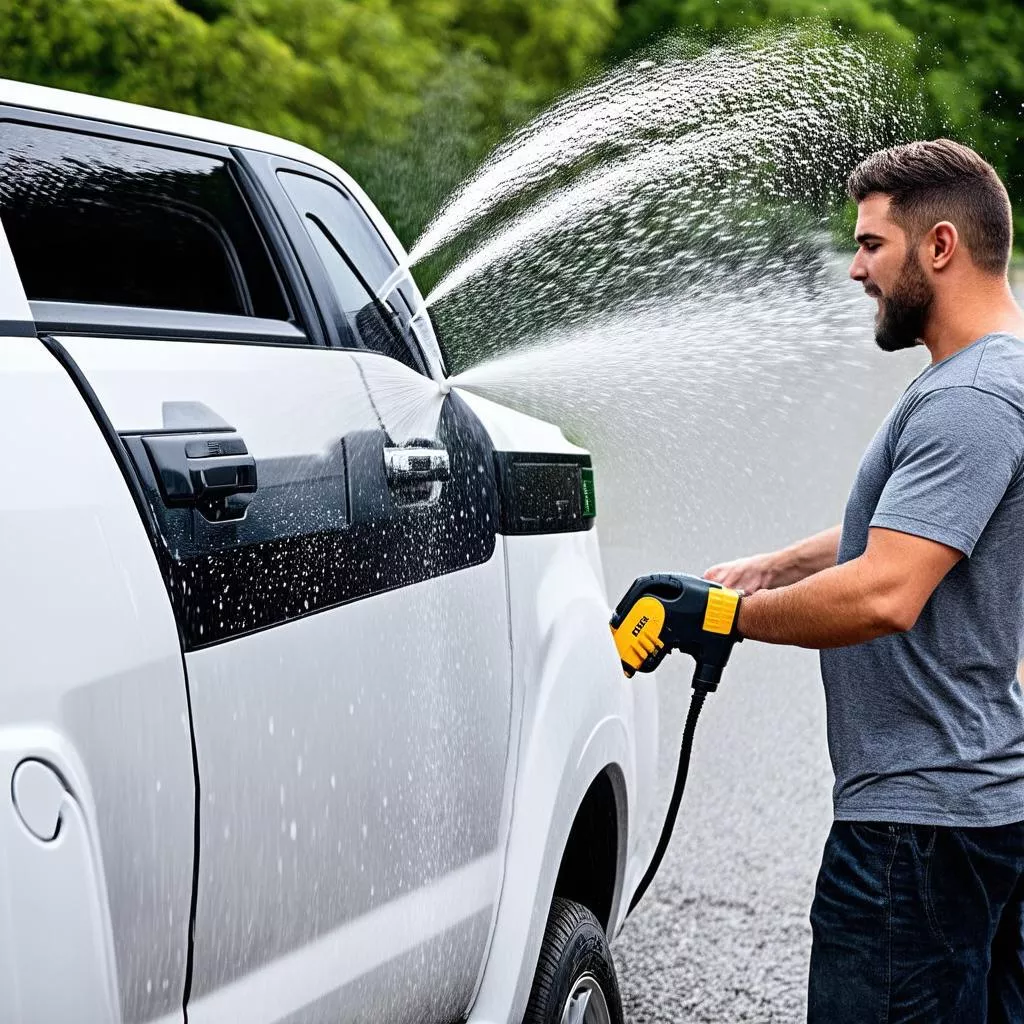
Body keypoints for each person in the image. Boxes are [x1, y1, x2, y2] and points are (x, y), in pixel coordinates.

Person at [704, 139, 1024, 1023]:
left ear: (941, 247)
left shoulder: (972, 397)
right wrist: (781, 563)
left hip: (917, 833)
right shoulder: (996, 378)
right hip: (973, 813)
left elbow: (888, 591)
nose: (854, 269)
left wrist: (728, 616)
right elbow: (930, 530)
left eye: (872, 244)